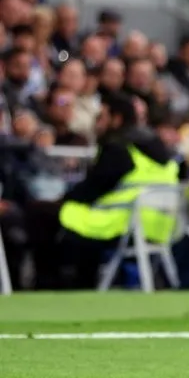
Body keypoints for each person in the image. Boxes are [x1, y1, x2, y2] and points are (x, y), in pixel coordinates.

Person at [28, 92, 179, 289]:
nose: (97, 123)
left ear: (116, 119)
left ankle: (47, 284)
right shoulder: (159, 149)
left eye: (101, 117)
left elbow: (92, 189)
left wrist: (61, 200)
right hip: (160, 226)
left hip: (119, 223)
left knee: (41, 212)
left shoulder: (119, 147)